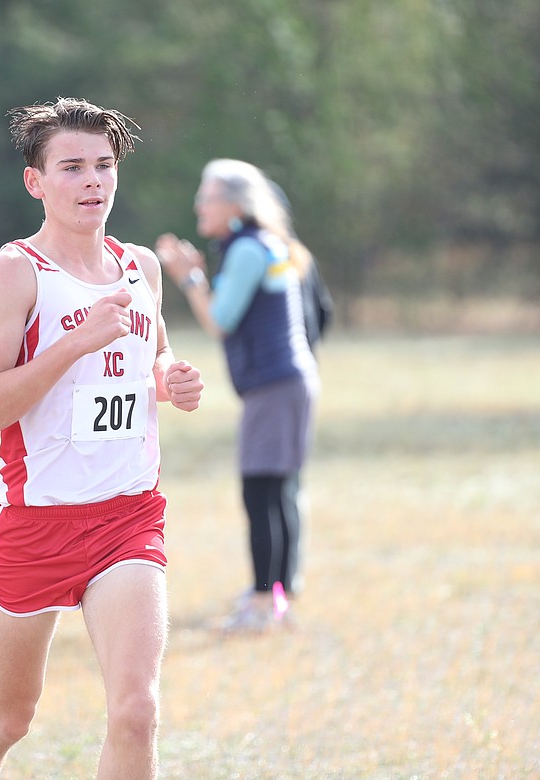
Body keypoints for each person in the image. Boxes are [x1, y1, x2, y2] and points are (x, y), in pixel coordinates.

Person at [0, 97, 204, 779]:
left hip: (127, 518)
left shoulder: (141, 268)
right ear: (36, 181)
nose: (92, 181)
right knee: (8, 717)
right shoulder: (14, 274)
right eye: (71, 168)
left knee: (135, 712)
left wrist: (170, 381)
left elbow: (150, 363)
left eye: (103, 165)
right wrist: (74, 341)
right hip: (35, 523)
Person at [155, 159, 320, 633]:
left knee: (260, 492)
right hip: (286, 382)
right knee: (277, 490)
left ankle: (264, 604)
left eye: (206, 196)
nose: (198, 205)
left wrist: (188, 278)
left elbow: (219, 320)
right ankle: (276, 596)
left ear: (233, 204)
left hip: (275, 385)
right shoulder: (258, 244)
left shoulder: (248, 249)